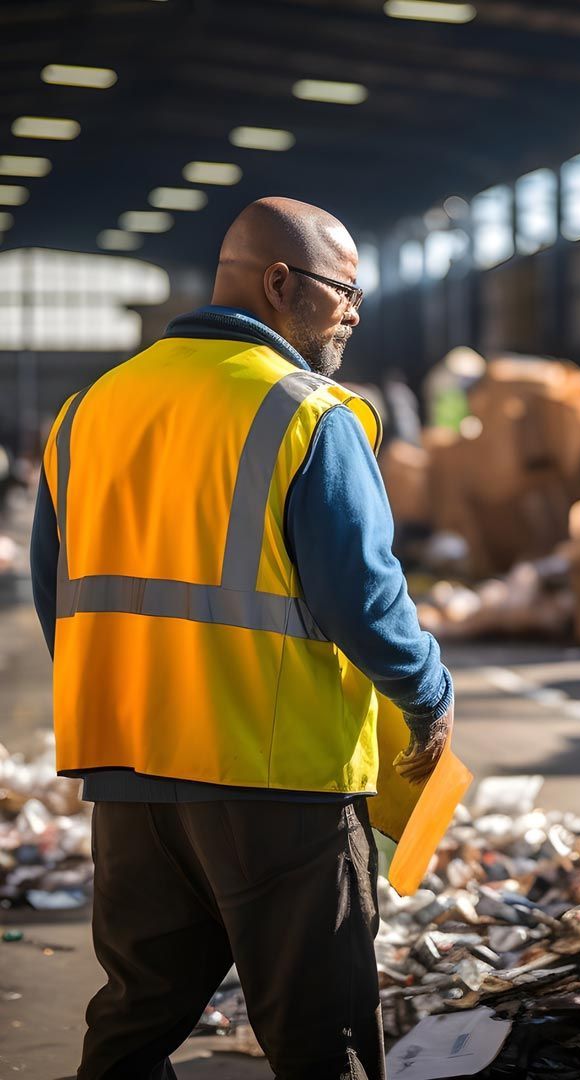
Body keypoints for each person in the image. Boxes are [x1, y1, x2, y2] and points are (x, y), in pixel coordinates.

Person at [29, 197, 454, 1080]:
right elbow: (364, 600)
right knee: (318, 1031)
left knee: (136, 1016)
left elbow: (54, 595)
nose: (355, 311)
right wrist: (428, 694)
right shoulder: (309, 413)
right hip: (275, 780)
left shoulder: (88, 411)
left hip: (130, 773)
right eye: (345, 290)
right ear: (278, 283)